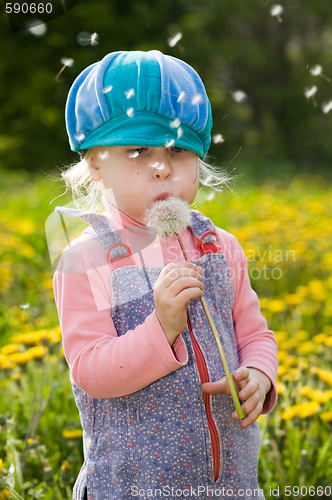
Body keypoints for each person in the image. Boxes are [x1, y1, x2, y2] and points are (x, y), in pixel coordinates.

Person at [53, 50, 278, 500]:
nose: (162, 166)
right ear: (95, 164)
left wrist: (259, 373)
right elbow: (91, 370)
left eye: (178, 149)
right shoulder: (88, 258)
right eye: (138, 150)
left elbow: (255, 333)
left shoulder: (219, 247)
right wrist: (162, 328)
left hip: (229, 483)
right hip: (134, 485)